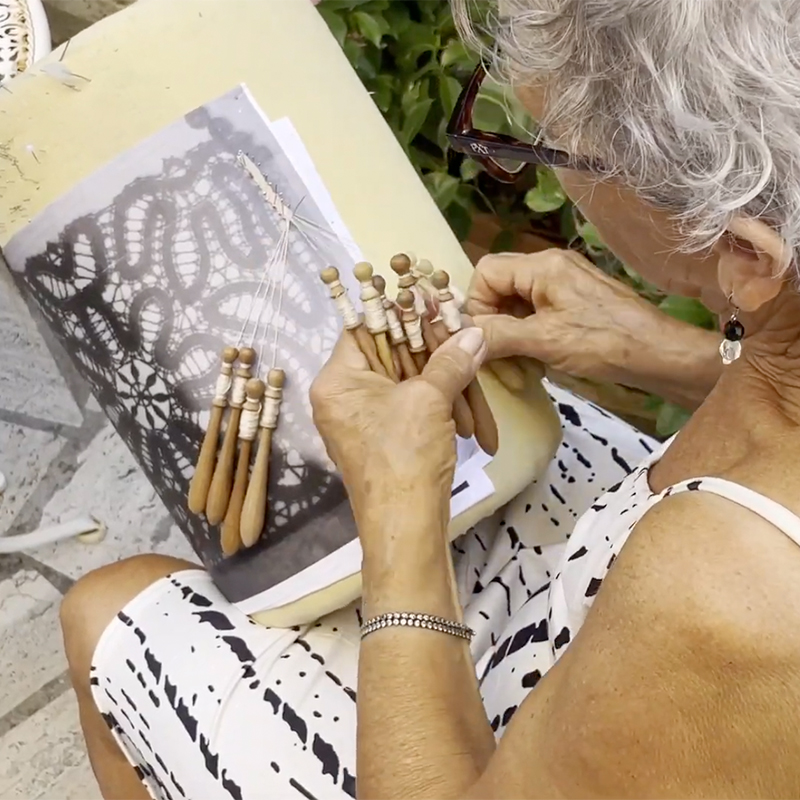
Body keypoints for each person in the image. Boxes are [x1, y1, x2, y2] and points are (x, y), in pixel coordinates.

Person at [60, 0, 800, 796]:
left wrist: (401, 523)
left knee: (106, 612)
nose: (545, 174)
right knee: (524, 432)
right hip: (629, 598)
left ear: (747, 255)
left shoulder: (728, 593)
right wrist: (670, 353)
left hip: (578, 703)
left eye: (547, 150)